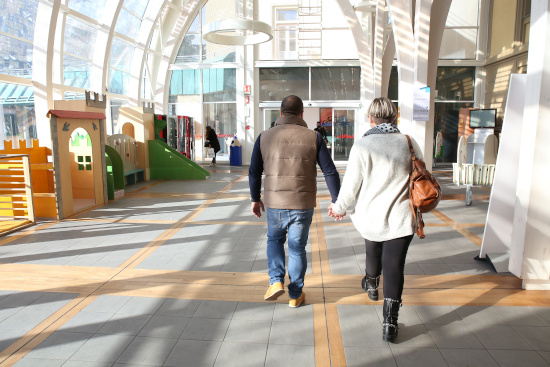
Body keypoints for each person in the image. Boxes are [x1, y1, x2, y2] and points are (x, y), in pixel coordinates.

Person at [328, 97, 424, 342]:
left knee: (373, 252)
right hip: (402, 217)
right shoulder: (408, 142)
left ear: (371, 118)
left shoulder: (362, 145)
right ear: (395, 117)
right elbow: (423, 173)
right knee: (394, 266)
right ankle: (390, 323)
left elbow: (351, 184)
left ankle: (371, 285)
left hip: (371, 215)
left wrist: (339, 208)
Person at [249, 95, 341, 308]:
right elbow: (330, 171)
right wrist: (337, 201)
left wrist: (255, 199)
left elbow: (254, 172)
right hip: (302, 203)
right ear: (301, 114)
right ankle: (295, 295)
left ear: (280, 113)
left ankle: (275, 281)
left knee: (274, 240)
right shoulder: (314, 137)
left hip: (275, 202)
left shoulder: (264, 137)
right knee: (297, 248)